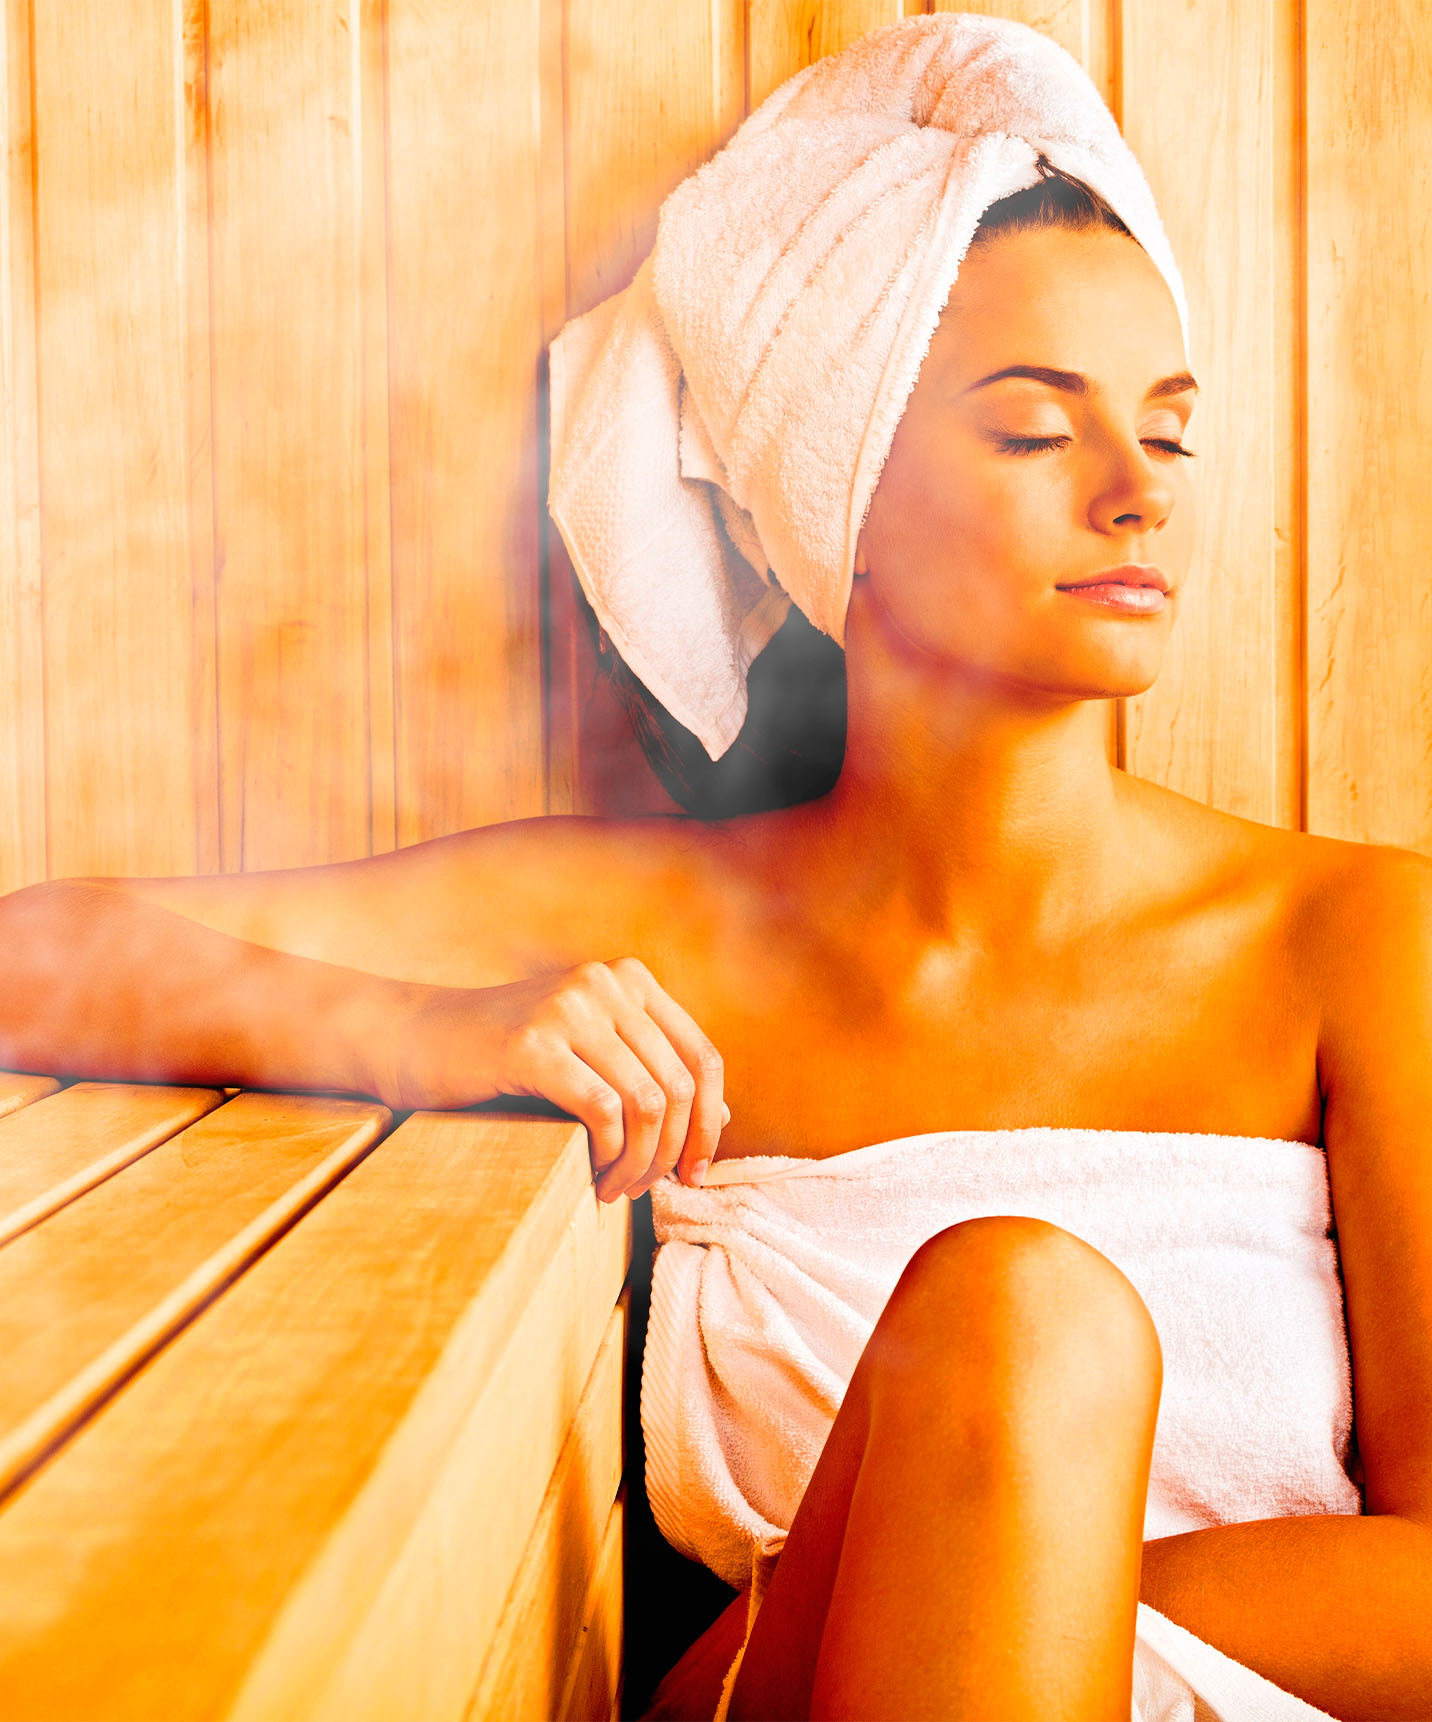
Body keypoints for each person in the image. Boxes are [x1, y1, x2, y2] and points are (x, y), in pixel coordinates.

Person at [1, 14, 1430, 1721]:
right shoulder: (661, 932)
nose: (1138, 496)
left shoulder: (1355, 936)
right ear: (824, 499)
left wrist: (996, 1567)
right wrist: (430, 1034)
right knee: (1018, 1315)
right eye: (1040, 433)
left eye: (1169, 433)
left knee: (1026, 1329)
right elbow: (40, 951)